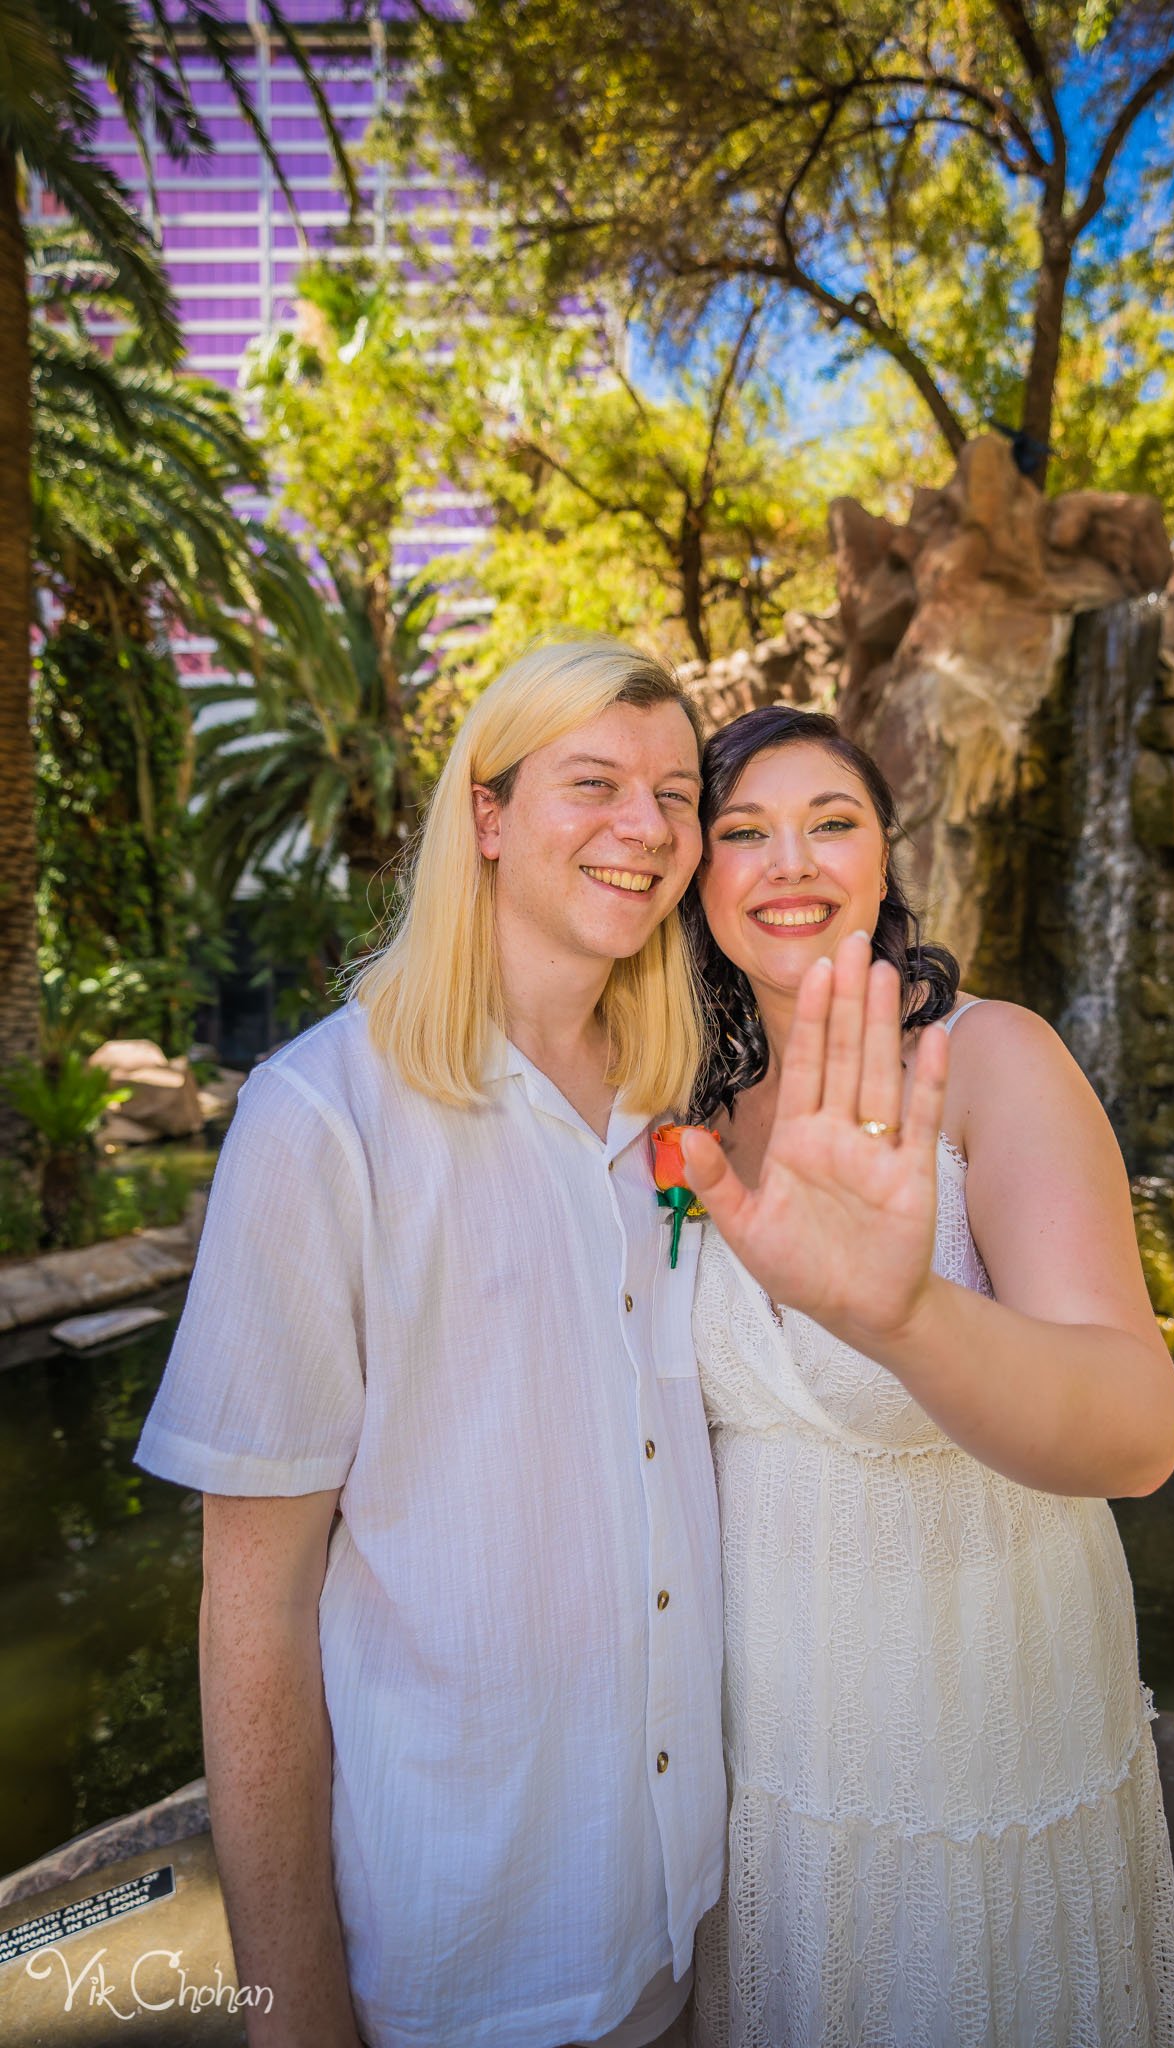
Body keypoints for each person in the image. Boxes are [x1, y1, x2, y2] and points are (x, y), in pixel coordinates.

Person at [134, 638, 726, 2048]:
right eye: (594, 783)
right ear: (487, 815)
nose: (646, 829)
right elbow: (256, 1612)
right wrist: (294, 2015)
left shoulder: (678, 1107)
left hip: (677, 1915)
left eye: (678, 794)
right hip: (463, 1953)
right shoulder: (320, 1120)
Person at [676, 706, 1174, 2048]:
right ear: (695, 873)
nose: (789, 862)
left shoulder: (989, 1059)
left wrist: (902, 1314)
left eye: (830, 822)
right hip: (769, 1743)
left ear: (885, 857)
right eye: (742, 832)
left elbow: (1136, 1434)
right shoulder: (682, 1103)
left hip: (980, 1721)